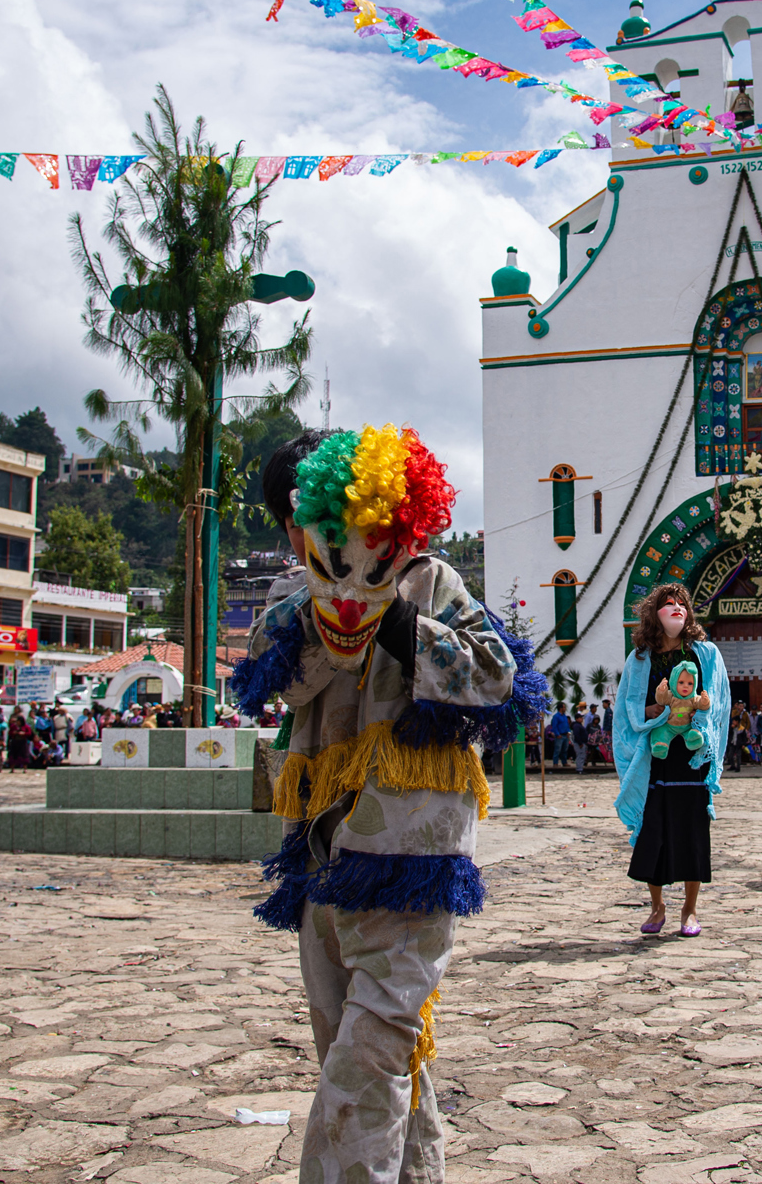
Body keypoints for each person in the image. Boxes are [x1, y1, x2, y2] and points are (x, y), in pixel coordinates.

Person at [227, 425, 539, 1184]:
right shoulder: (289, 594)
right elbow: (274, 682)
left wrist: (400, 620)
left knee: (377, 1040)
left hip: (412, 852)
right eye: (313, 515)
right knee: (362, 1044)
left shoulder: (430, 583)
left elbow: (503, 683)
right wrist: (333, 601)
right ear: (294, 523)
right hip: (322, 857)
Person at [614, 584, 729, 938]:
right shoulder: (640, 659)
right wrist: (656, 708)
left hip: (693, 755)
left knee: (693, 829)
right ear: (654, 613)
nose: (676, 607)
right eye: (668, 603)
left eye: (681, 603)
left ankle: (690, 910)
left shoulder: (705, 653)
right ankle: (657, 905)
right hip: (656, 755)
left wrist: (703, 712)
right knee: (655, 829)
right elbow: (627, 707)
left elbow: (720, 699)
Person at [548, 703, 570, 769]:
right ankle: (555, 763)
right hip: (559, 735)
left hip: (565, 735)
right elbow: (554, 726)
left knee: (564, 749)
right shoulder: (556, 716)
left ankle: (564, 762)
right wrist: (557, 734)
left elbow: (567, 725)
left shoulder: (564, 716)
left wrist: (569, 732)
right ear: (561, 708)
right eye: (564, 707)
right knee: (557, 750)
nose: (565, 709)